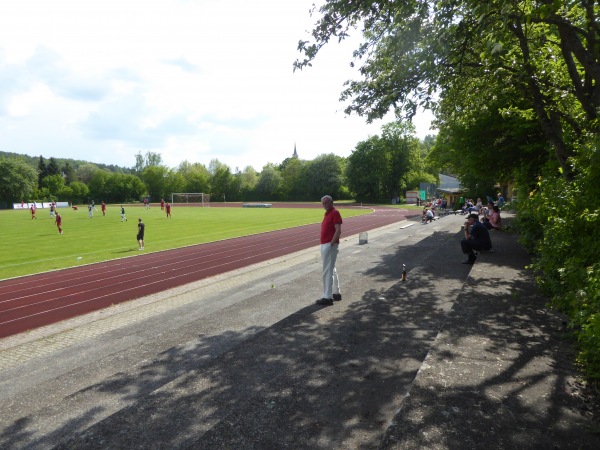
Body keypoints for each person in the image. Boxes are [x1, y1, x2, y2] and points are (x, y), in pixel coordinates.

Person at [316, 195, 343, 306]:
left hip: (329, 245)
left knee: (327, 270)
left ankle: (327, 297)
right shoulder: (328, 213)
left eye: (326, 202)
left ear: (331, 202)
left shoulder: (335, 213)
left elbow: (338, 230)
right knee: (332, 268)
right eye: (322, 203)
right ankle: (336, 293)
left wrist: (331, 244)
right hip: (327, 244)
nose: (324, 205)